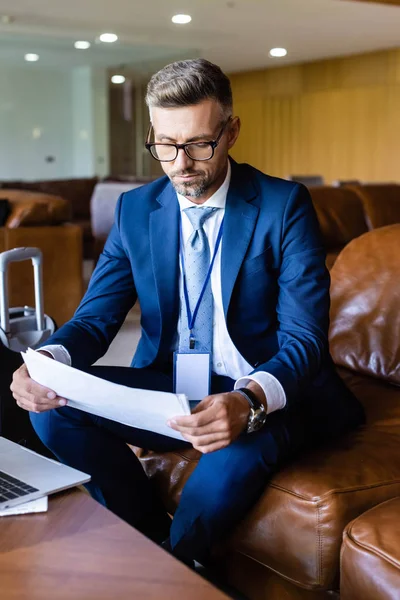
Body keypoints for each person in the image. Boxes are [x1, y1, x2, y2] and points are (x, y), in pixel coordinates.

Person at [10, 58, 364, 565]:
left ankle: (174, 572)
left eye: (199, 144)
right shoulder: (136, 209)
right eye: (165, 145)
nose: (181, 164)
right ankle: (146, 542)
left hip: (267, 393)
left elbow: (304, 340)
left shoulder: (283, 205)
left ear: (231, 131)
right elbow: (94, 320)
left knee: (226, 463)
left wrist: (249, 402)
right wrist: (46, 362)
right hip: (173, 386)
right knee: (53, 411)